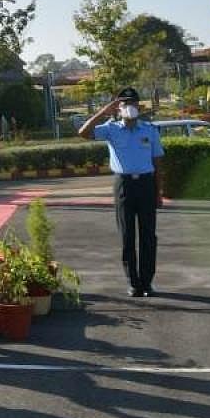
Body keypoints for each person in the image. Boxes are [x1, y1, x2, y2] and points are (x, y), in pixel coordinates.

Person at [78, 86, 163, 297]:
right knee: (127, 236)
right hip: (124, 185)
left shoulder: (149, 130)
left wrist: (158, 191)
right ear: (118, 107)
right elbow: (83, 133)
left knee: (148, 236)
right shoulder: (111, 129)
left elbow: (157, 162)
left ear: (138, 106)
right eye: (124, 104)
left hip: (146, 185)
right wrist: (103, 112)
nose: (129, 107)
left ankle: (147, 282)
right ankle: (133, 283)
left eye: (132, 103)